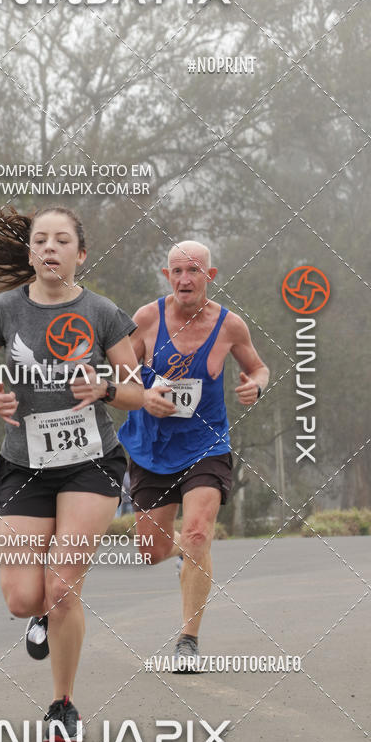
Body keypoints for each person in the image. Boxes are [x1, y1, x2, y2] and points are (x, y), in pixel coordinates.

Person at [0, 205, 143, 740]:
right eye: (40, 240)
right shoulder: (3, 310)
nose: (49, 248)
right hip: (24, 465)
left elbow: (138, 393)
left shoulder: (103, 312)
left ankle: (63, 703)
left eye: (62, 240)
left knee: (63, 589)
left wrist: (106, 390)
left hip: (90, 463)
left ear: (79, 254)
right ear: (30, 253)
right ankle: (42, 616)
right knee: (24, 599)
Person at [118, 240, 269, 671]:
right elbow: (118, 375)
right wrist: (144, 396)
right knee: (150, 550)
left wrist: (255, 385)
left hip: (206, 445)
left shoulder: (229, 326)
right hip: (150, 448)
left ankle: (188, 639)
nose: (185, 279)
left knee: (200, 533)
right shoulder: (146, 319)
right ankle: (182, 547)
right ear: (167, 277)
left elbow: (259, 367)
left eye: (194, 271)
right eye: (177, 272)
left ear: (211, 275)